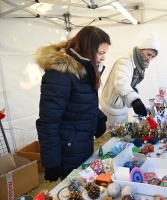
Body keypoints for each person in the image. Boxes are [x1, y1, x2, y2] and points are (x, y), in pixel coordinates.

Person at [35, 26, 111, 181]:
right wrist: (51, 162)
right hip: (67, 150)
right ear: (87, 49)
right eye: (101, 53)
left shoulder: (85, 69)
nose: (103, 58)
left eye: (105, 54)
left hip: (82, 143)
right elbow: (48, 121)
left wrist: (98, 116)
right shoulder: (59, 75)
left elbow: (82, 101)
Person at [100, 32, 160, 128]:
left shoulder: (138, 65)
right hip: (112, 108)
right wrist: (135, 101)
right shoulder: (125, 62)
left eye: (153, 57)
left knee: (121, 134)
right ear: (141, 49)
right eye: (148, 54)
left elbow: (133, 84)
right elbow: (122, 82)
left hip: (121, 107)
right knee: (113, 138)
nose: (149, 59)